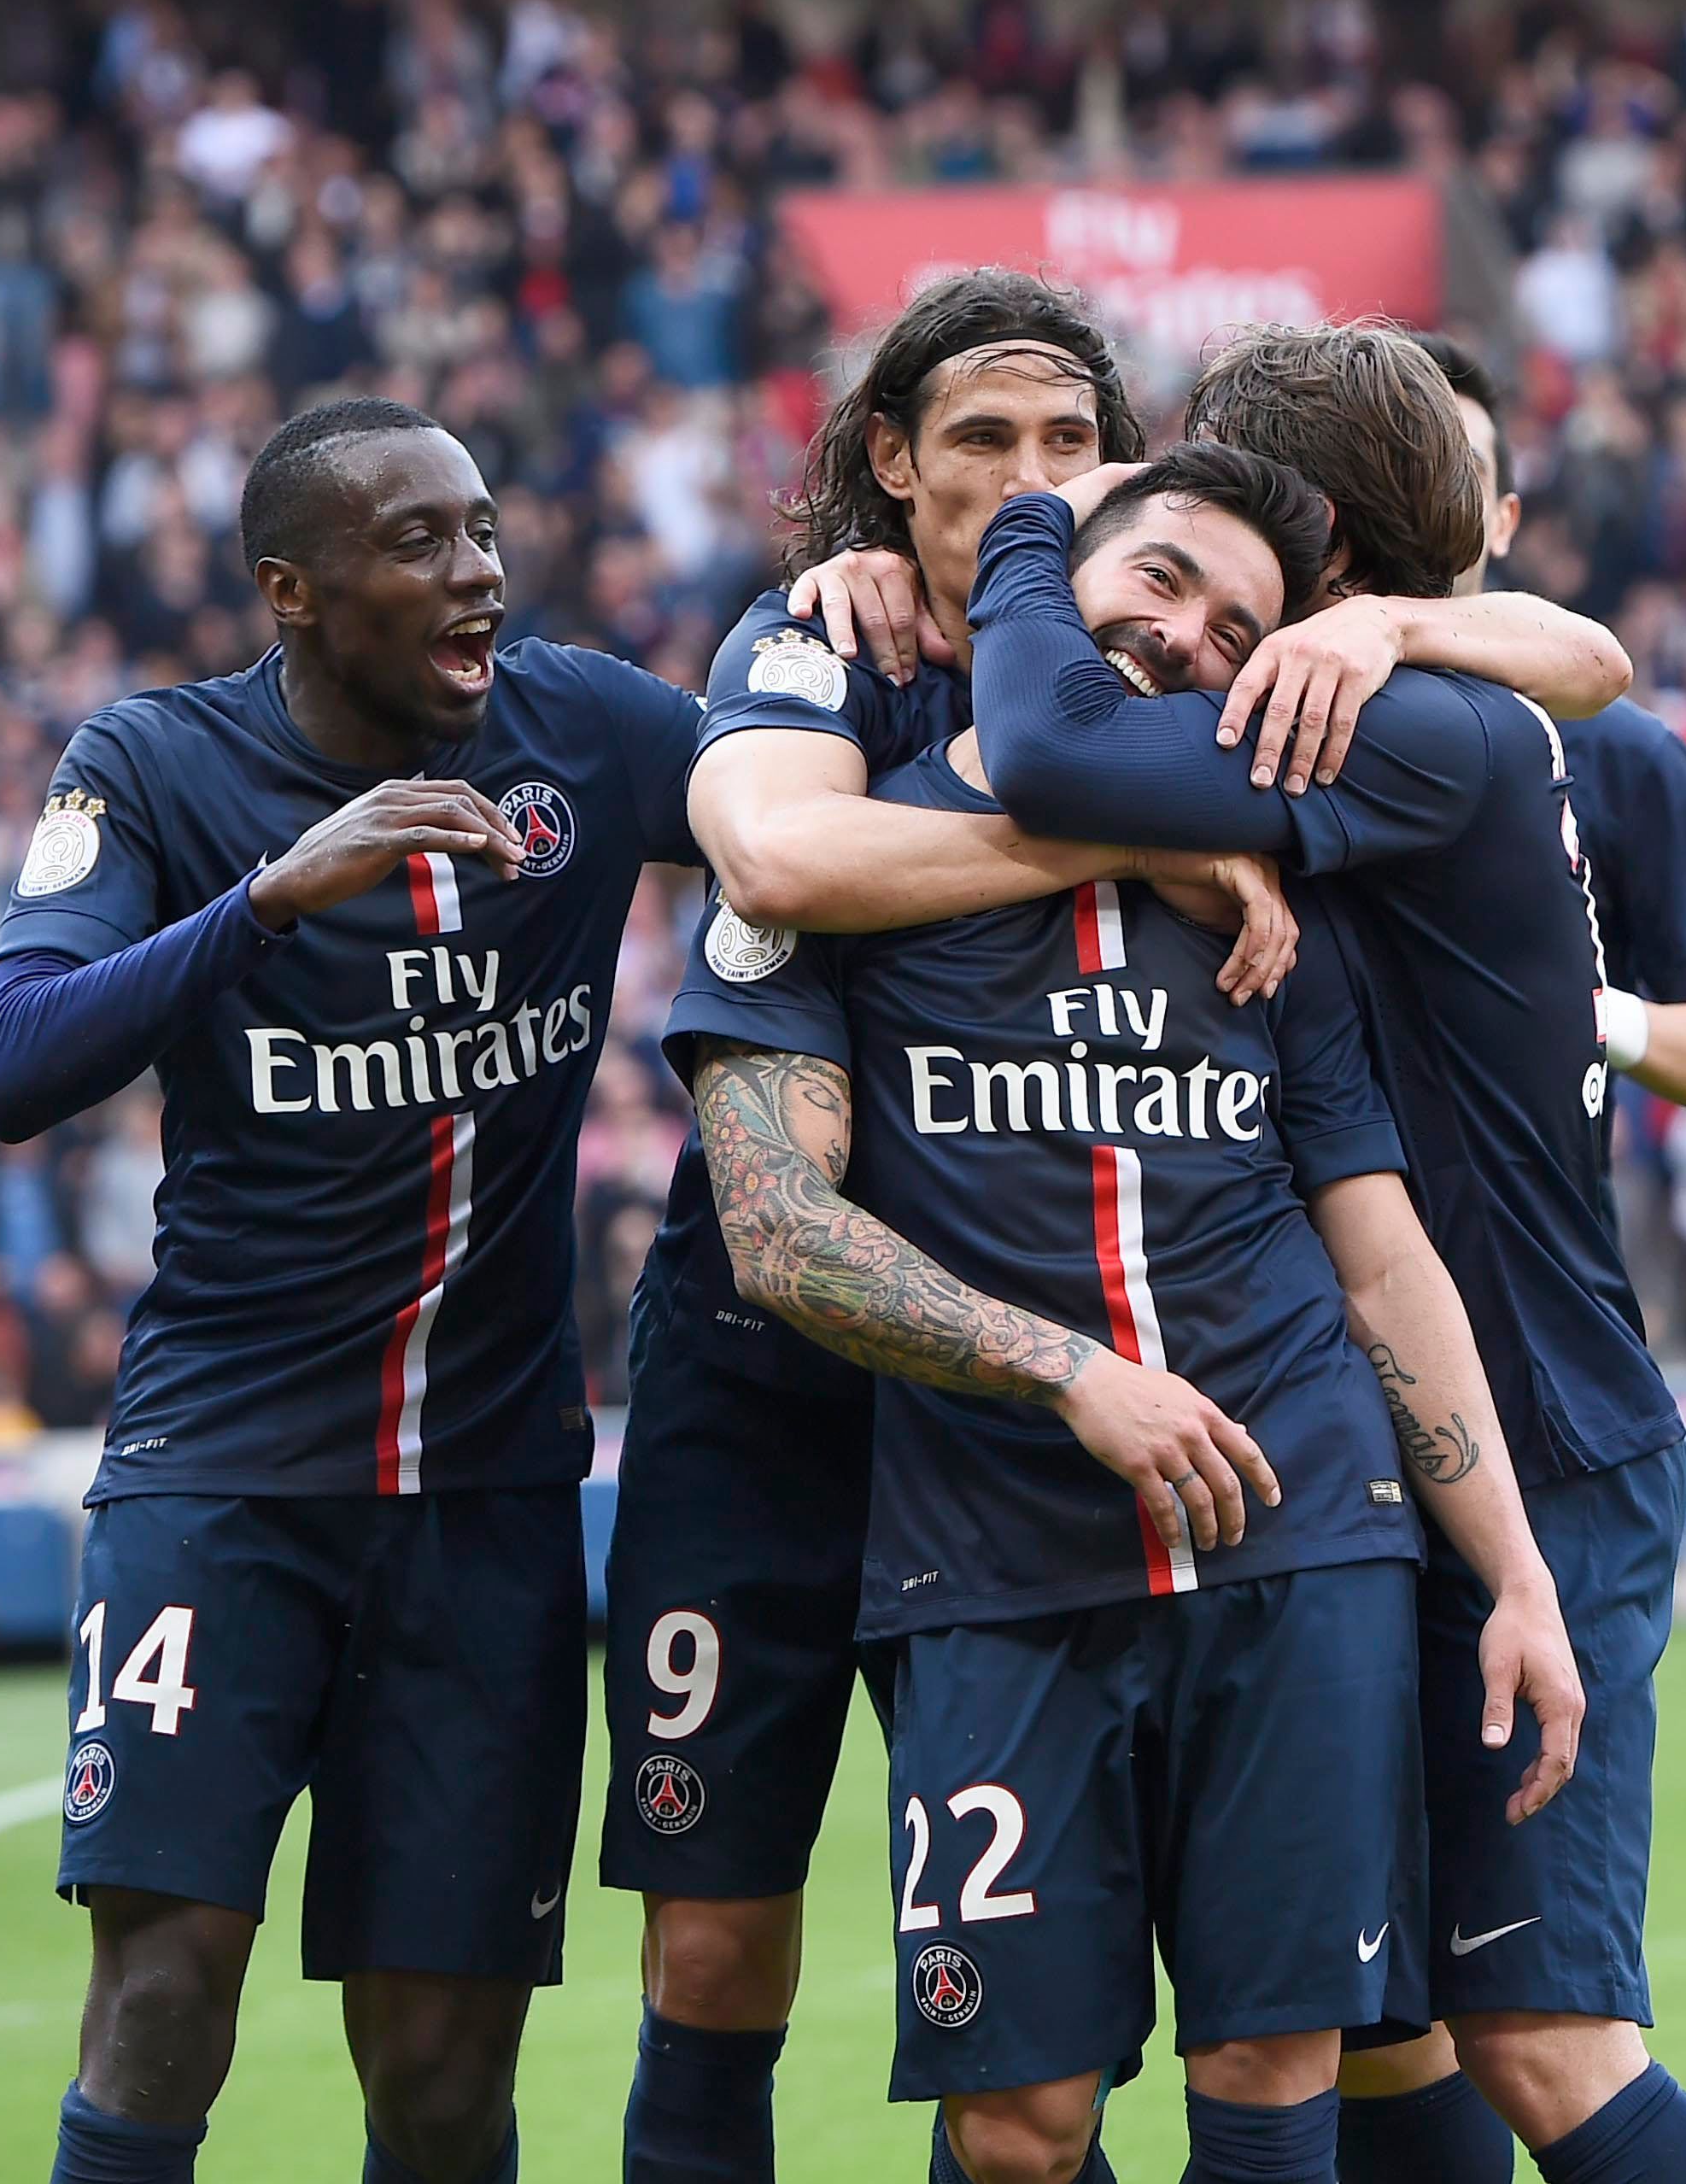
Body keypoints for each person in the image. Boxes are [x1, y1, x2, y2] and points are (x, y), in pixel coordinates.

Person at [613, 273, 1607, 2184]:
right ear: (891, 465)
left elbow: (1377, 1233)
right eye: (984, 443)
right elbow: (774, 866)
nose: (1024, 480)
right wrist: (1109, 827)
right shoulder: (824, 655)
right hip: (864, 1431)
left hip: (1271, 1499)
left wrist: (1511, 1567)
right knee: (804, 1985)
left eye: (1068, 441)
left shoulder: (1259, 840)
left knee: (1316, 2051)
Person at [967, 323, 1686, 2184]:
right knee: (1385, 2034)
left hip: (1525, 1432)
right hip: (1367, 1444)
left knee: (1542, 2036)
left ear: (1308, 525)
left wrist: (1024, 526)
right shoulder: (1368, 690)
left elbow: (1039, 747)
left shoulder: (1398, 716)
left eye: (1217, 467)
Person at [0, 396, 712, 2184]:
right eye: (416, 542)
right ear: (291, 591)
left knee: (448, 2078)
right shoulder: (150, 763)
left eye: (477, 527)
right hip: (221, 1479)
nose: (474, 569)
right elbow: (12, 1062)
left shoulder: (588, 729)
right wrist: (268, 898)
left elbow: (808, 819)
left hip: (488, 1497)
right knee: (164, 1996)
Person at [1412, 340, 1686, 1134]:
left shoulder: (1623, 754)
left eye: (1461, 474)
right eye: (1402, 464)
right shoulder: (1277, 707)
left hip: (1549, 1246)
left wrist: (1583, 1011)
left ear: (1505, 521)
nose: (1428, 498)